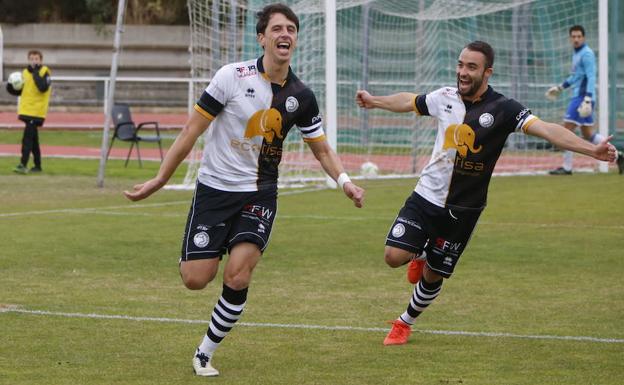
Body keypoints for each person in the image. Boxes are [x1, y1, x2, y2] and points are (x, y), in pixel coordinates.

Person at [124, 3, 364, 377]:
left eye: (291, 30)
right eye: (278, 29)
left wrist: (345, 182)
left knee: (237, 274)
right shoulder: (230, 77)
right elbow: (191, 131)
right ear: (262, 37)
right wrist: (160, 179)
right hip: (214, 191)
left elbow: (321, 148)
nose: (285, 35)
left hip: (259, 194)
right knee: (195, 279)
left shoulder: (302, 95)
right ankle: (208, 247)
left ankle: (205, 352)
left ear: (296, 39)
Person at [356, 41, 617, 346]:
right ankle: (422, 252)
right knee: (393, 256)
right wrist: (375, 101)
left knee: (434, 275)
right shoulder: (445, 98)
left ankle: (405, 322)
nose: (462, 72)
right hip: (426, 196)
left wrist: (592, 150)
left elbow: (547, 129)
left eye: (471, 67)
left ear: (487, 72)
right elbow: (410, 101)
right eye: (460, 65)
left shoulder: (504, 109)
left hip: (464, 209)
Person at [545, 25, 624, 175]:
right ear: (570, 38)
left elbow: (591, 76)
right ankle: (618, 155)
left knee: (565, 131)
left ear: (584, 37)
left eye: (578, 36)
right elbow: (576, 76)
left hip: (582, 98)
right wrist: (560, 87)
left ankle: (567, 168)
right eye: (573, 36)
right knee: (589, 134)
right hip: (582, 97)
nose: (576, 39)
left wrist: (587, 99)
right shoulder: (577, 54)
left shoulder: (586, 54)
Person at [6, 50, 52, 174]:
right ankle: (37, 166)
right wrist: (10, 87)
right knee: (34, 140)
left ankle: (23, 164)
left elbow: (42, 88)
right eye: (31, 59)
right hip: (26, 110)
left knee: (27, 139)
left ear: (41, 60)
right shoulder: (25, 73)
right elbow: (22, 91)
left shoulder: (44, 72)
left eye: (36, 59)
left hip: (36, 111)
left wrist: (36, 73)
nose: (34, 61)